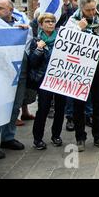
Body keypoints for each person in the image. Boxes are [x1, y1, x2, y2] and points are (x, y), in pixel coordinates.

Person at [65, 0, 99, 152]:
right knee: (79, 105)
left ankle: (98, 137)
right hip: (80, 71)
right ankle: (80, 138)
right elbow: (66, 44)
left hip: (98, 70)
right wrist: (78, 29)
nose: (92, 13)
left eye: (94, 9)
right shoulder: (72, 22)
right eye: (88, 10)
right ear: (81, 9)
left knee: (98, 105)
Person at [27, 13, 66, 150]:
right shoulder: (36, 41)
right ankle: (38, 139)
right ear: (41, 24)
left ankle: (56, 135)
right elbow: (32, 62)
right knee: (43, 109)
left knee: (60, 109)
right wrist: (38, 49)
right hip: (44, 80)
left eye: (53, 21)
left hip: (60, 79)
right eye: (47, 21)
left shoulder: (63, 39)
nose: (50, 24)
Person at [0, 0, 30, 160]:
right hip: (2, 74)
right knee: (0, 106)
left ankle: (8, 138)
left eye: (0, 8)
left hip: (19, 71)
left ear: (10, 10)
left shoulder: (22, 22)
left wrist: (25, 32)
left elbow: (32, 41)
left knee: (15, 106)